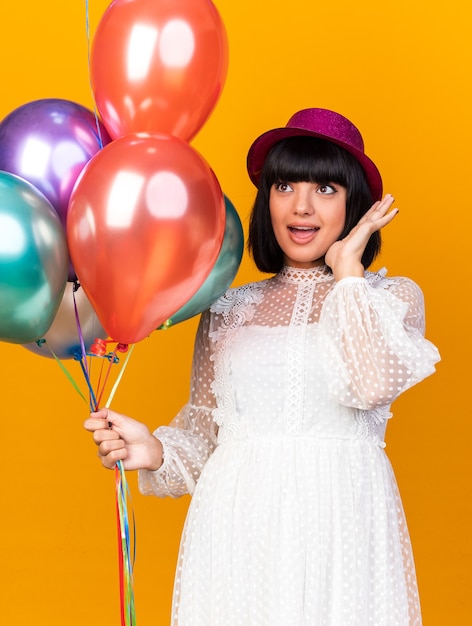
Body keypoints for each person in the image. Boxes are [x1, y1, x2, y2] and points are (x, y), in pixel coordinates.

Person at [85, 108, 440, 625]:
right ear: (265, 200)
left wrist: (348, 276)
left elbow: (370, 386)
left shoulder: (390, 299)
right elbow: (207, 433)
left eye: (325, 190)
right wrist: (155, 449)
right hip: (238, 525)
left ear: (355, 203)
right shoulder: (229, 308)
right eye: (284, 187)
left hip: (341, 522)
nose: (301, 207)